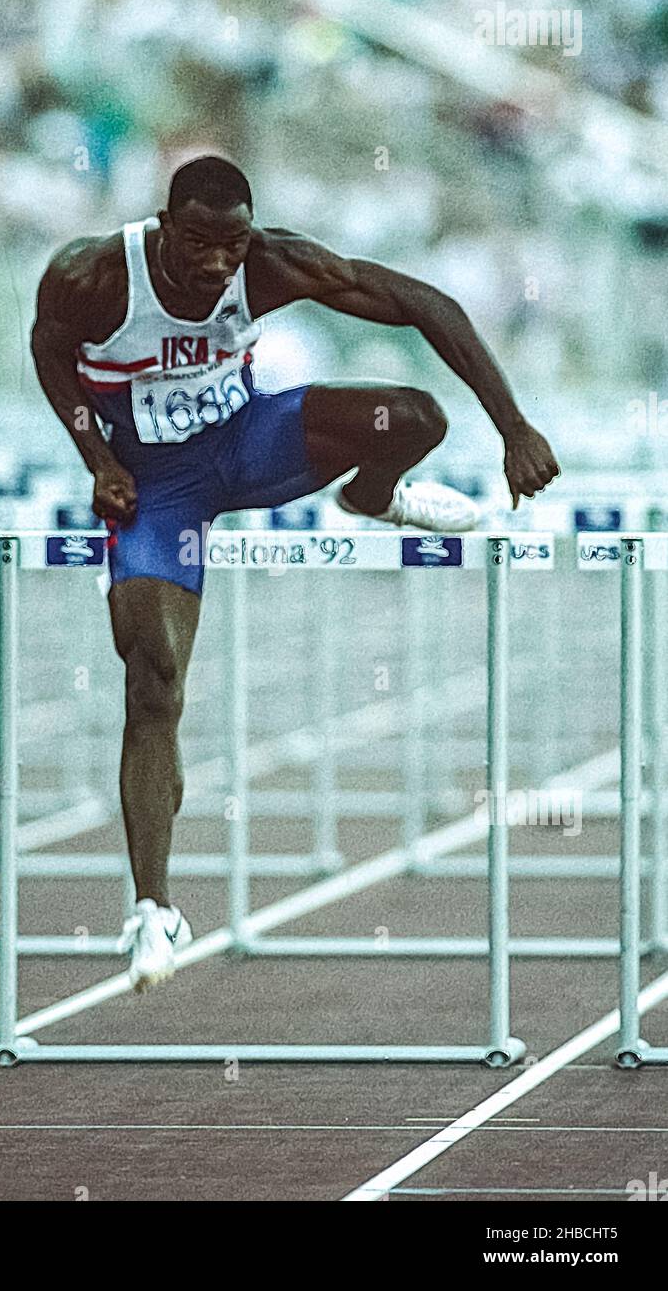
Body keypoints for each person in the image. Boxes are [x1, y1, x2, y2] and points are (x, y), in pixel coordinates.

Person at [32, 155, 560, 991]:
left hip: (246, 447)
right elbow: (49, 351)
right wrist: (94, 455)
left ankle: (375, 496)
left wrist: (515, 428)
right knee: (154, 684)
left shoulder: (270, 263)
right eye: (201, 246)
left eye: (232, 247)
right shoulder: (93, 274)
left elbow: (427, 304)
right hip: (156, 486)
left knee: (413, 416)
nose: (217, 267)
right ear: (167, 229)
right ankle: (153, 910)